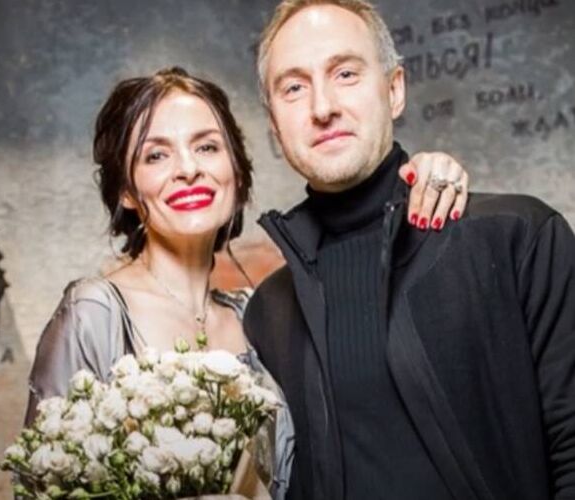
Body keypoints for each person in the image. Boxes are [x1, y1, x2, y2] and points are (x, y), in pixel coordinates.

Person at [25, 67, 469, 498]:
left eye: (207, 147)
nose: (188, 169)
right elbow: (40, 484)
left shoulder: (260, 316)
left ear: (236, 172)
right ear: (126, 190)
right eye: (155, 155)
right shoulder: (95, 314)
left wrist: (416, 180)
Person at [243, 1, 575, 500]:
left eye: (345, 73)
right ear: (274, 124)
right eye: (294, 87)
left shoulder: (519, 237)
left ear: (394, 89)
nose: (322, 106)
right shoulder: (268, 311)